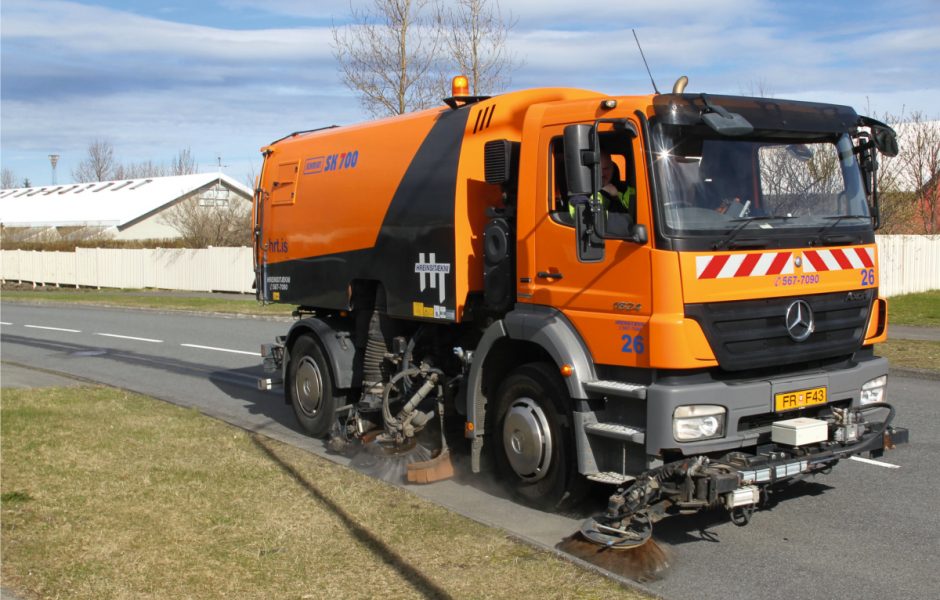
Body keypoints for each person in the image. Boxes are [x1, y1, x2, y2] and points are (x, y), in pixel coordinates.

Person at [568, 152, 636, 218]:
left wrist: (616, 198)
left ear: (613, 168)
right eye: (597, 169)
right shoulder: (579, 194)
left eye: (606, 169)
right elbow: (586, 217)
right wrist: (605, 193)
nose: (602, 174)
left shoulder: (624, 189)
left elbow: (641, 206)